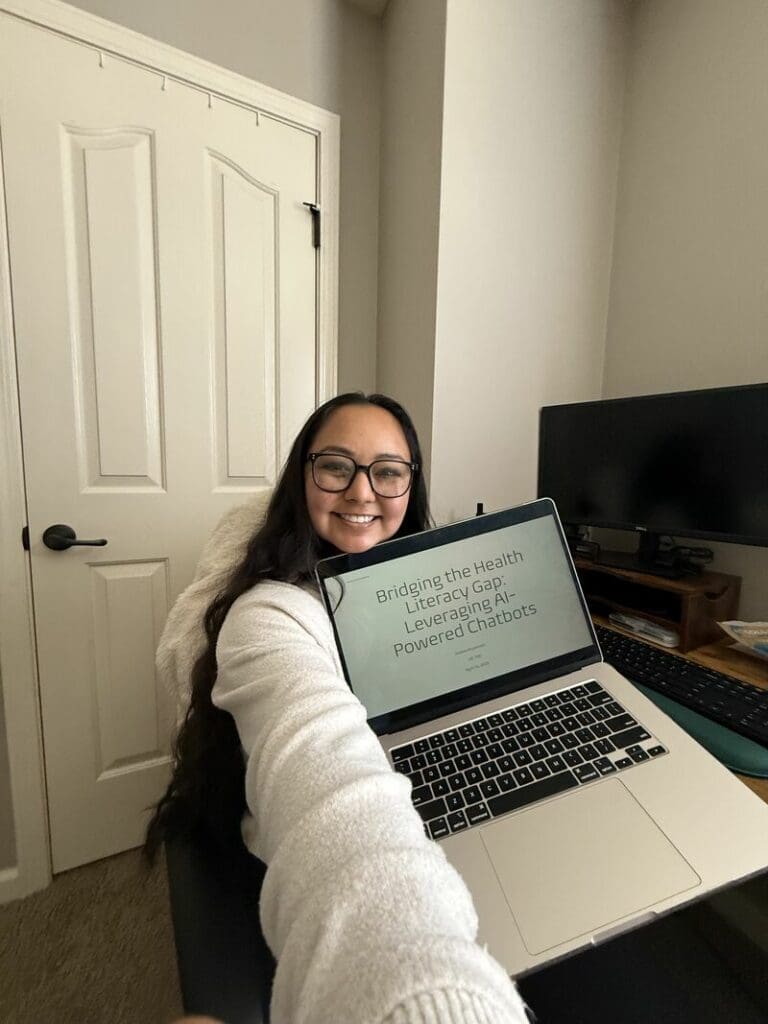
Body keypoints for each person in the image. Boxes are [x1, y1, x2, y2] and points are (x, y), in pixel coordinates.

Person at [146, 393, 530, 1024]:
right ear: (303, 476)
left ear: (410, 484)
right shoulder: (270, 614)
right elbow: (323, 776)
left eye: (387, 472)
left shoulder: (424, 577)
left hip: (431, 780)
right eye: (336, 466)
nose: (362, 493)